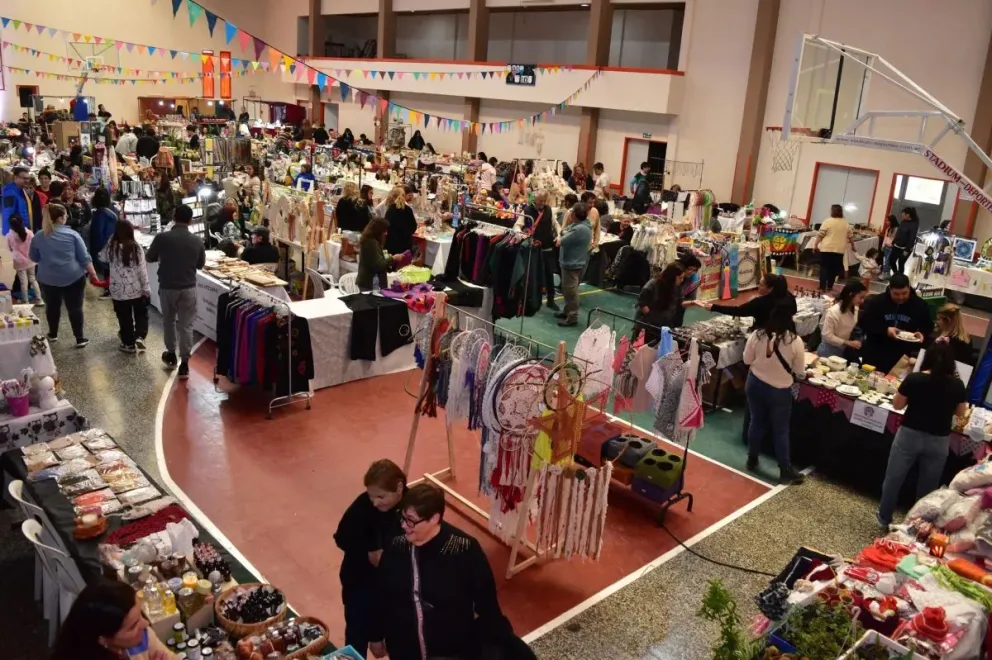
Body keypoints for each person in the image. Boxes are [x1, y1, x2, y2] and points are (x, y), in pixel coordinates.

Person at [369, 484, 520, 660]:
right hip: (404, 649)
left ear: (434, 518)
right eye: (402, 517)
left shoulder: (463, 549)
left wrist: (495, 646)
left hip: (450, 652)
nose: (404, 525)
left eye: (411, 520)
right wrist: (376, 634)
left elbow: (486, 603)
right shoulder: (397, 546)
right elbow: (381, 594)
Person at [877, 342, 967, 526]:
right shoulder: (957, 385)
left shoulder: (915, 379)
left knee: (894, 478)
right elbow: (961, 412)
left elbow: (897, 405)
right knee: (928, 487)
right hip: (939, 440)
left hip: (910, 434)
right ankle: (917, 524)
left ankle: (884, 518)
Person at [334, 460, 407, 658]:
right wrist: (367, 552)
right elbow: (341, 537)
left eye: (381, 496)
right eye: (371, 496)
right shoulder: (364, 505)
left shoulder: (412, 511)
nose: (375, 502)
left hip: (396, 596)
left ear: (399, 488)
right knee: (355, 644)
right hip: (360, 587)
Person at [743, 303, 806, 484]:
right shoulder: (795, 341)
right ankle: (784, 469)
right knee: (780, 431)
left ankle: (752, 458)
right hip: (779, 391)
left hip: (754, 383)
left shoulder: (757, 335)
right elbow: (800, 371)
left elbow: (747, 359)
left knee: (756, 421)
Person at [146, 204, 206, 379]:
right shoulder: (196, 241)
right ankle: (185, 362)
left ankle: (171, 352)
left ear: (173, 217)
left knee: (169, 321)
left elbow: (150, 257)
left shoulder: (162, 238)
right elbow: (200, 265)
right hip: (188, 287)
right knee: (186, 325)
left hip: (167, 286)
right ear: (190, 220)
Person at [52, 579, 176, 660]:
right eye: (132, 626)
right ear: (103, 640)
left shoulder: (141, 634)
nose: (146, 624)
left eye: (140, 615)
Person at [29, 204, 98, 347]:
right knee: (75, 308)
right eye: (66, 215)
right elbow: (84, 258)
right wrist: (93, 273)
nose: (67, 218)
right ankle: (79, 338)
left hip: (48, 279)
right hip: (73, 276)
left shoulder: (38, 236)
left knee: (52, 307)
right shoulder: (72, 235)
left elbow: (34, 258)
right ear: (60, 218)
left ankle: (53, 334)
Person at [857, 273, 933, 373]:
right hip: (875, 352)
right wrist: (885, 330)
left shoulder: (920, 305)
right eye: (896, 294)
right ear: (890, 290)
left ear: (909, 288)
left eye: (904, 293)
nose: (901, 297)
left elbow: (928, 326)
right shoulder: (877, 302)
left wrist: (922, 333)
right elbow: (864, 322)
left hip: (902, 357)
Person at [99, 220, 150, 353]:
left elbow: (101, 258)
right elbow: (142, 270)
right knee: (141, 314)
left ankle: (128, 344)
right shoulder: (136, 247)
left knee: (124, 317)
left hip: (118, 291)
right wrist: (146, 288)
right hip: (136, 289)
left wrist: (111, 240)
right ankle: (139, 336)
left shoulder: (111, 247)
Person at [705, 272, 796, 330]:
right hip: (787, 331)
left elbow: (737, 310)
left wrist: (714, 307)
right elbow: (794, 311)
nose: (758, 287)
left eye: (761, 285)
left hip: (765, 335)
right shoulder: (788, 296)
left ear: (770, 288)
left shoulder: (760, 303)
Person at [518, 191, 560, 311]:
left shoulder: (549, 210)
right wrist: (523, 235)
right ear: (534, 200)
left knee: (549, 275)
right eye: (540, 201)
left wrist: (559, 235)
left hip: (547, 247)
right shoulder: (526, 211)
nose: (543, 203)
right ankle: (529, 299)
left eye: (544, 201)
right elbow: (517, 225)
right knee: (531, 274)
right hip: (533, 248)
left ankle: (551, 300)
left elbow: (556, 224)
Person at [557, 203, 593, 327]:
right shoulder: (581, 225)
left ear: (575, 215)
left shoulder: (579, 229)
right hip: (572, 262)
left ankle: (572, 316)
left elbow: (561, 240)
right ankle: (567, 311)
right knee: (567, 290)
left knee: (571, 291)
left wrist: (560, 237)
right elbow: (564, 231)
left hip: (572, 263)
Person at [633, 263, 690, 343]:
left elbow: (680, 303)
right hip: (648, 325)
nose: (682, 280)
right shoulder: (653, 284)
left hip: (664, 325)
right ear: (672, 277)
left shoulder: (676, 287)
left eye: (682, 278)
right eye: (680, 278)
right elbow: (642, 303)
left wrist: (693, 303)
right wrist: (651, 317)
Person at [816, 280, 867, 358]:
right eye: (861, 297)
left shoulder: (855, 309)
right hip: (827, 351)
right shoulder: (833, 312)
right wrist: (848, 342)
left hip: (842, 349)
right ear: (851, 295)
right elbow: (827, 335)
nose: (862, 301)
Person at [812, 204, 855, 292]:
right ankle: (830, 286)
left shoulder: (827, 221)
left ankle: (822, 287)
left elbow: (820, 235)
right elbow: (851, 236)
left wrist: (815, 245)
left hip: (826, 248)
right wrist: (853, 246)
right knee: (833, 269)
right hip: (839, 250)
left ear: (832, 211)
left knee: (824, 267)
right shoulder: (845, 223)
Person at [5, 216, 41, 306]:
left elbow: (9, 248)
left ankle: (25, 301)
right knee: (33, 279)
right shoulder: (29, 233)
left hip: (19, 262)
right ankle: (39, 299)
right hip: (30, 259)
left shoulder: (9, 236)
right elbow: (34, 245)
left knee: (23, 282)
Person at [90, 187, 118, 299]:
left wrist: (95, 249)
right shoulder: (113, 210)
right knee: (112, 267)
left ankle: (109, 290)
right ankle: (112, 288)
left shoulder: (99, 214)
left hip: (102, 244)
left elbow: (98, 232)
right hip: (113, 242)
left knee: (107, 268)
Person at [357, 218, 399, 290]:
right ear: (378, 231)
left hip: (368, 281)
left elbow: (375, 261)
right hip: (370, 283)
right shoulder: (371, 243)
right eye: (384, 231)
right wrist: (393, 258)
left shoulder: (370, 241)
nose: (386, 233)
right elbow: (379, 265)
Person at [383, 185, 418, 256]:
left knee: (393, 266)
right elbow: (414, 227)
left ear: (392, 197)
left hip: (392, 244)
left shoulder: (390, 210)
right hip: (406, 245)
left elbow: (385, 226)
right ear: (404, 196)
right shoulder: (408, 210)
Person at [1, 166, 33, 235]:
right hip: (16, 234)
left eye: (28, 178)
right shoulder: (10, 193)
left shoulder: (21, 190)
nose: (27, 181)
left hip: (23, 231)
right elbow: (7, 214)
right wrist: (8, 235)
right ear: (15, 177)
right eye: (24, 178)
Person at [891, 207, 920, 276]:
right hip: (896, 246)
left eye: (903, 214)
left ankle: (900, 277)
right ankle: (896, 274)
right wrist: (894, 241)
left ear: (908, 215)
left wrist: (906, 250)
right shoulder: (903, 221)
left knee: (901, 262)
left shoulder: (913, 225)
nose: (901, 215)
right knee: (891, 261)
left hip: (905, 249)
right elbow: (899, 233)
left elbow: (912, 239)